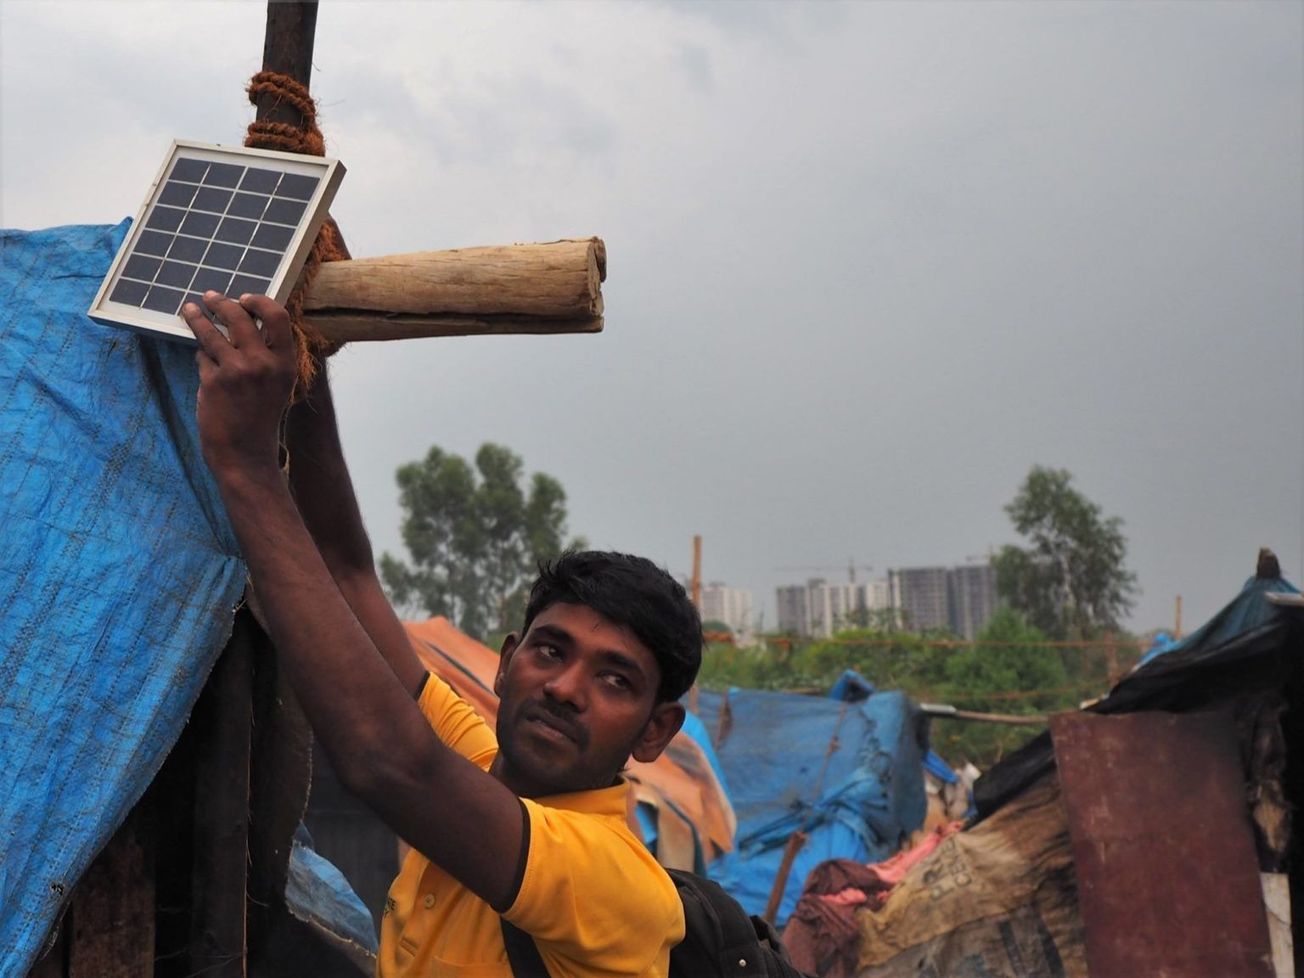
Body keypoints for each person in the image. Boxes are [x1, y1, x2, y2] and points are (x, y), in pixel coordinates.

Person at [181, 292, 702, 978]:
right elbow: (345, 573)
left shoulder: (615, 880)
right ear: (507, 662)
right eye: (551, 651)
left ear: (655, 731)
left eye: (615, 680)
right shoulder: (480, 761)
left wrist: (246, 466)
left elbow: (391, 764)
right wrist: (305, 352)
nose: (566, 689)